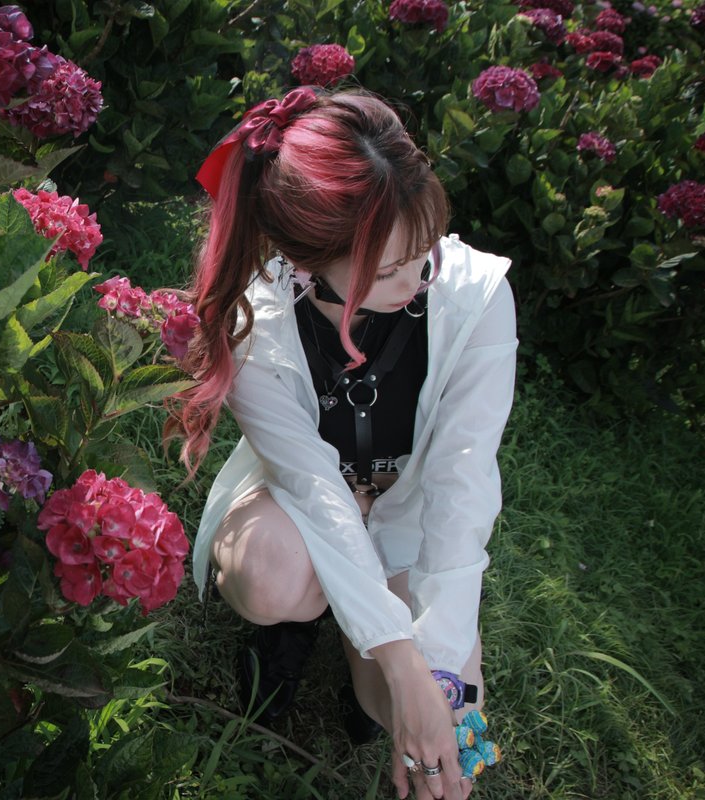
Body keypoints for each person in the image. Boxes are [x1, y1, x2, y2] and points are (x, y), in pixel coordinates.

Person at [166, 86, 517, 800]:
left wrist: (434, 673)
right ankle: (295, 626)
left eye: (422, 252)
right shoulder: (257, 320)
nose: (415, 280)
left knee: (441, 715)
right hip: (297, 509)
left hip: (406, 514)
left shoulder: (477, 295)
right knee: (271, 577)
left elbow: (462, 485)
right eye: (385, 271)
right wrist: (400, 661)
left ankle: (365, 655)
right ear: (306, 261)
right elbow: (312, 488)